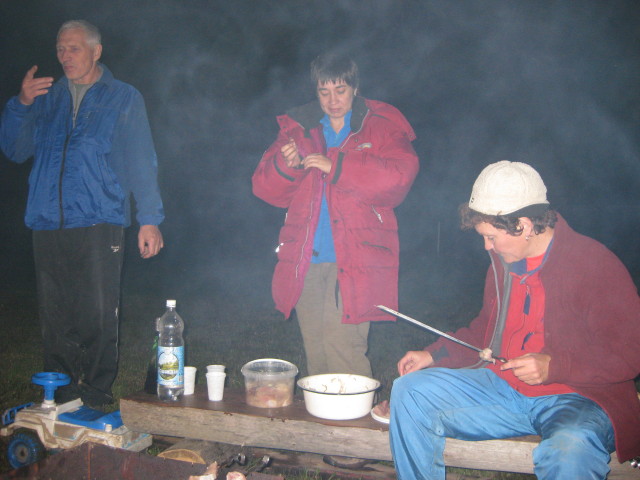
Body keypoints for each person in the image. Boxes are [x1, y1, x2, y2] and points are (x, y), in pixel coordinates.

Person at [389, 160, 640, 479]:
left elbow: (629, 352)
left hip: (577, 398)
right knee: (410, 391)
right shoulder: (502, 263)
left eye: (491, 237)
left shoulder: (593, 264)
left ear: (523, 225)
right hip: (503, 390)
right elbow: (486, 331)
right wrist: (434, 355)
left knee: (571, 448)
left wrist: (554, 366)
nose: (486, 246)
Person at [0, 20, 165, 407]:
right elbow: (14, 149)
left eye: (74, 48)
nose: (65, 56)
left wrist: (150, 219)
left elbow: (141, 160)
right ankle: (59, 390)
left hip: (99, 217)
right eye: (60, 48)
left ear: (96, 51)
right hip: (47, 219)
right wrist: (21, 104)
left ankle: (94, 392)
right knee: (55, 314)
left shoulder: (123, 97)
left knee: (97, 313)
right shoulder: (46, 98)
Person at [252, 53, 419, 377]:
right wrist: (287, 165)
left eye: (340, 90)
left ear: (355, 88)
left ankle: (356, 412)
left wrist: (337, 165)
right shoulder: (299, 129)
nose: (332, 100)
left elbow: (398, 180)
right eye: (324, 92)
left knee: (343, 348)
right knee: (315, 350)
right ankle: (323, 411)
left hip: (356, 259)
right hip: (306, 258)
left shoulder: (381, 126)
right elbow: (264, 189)